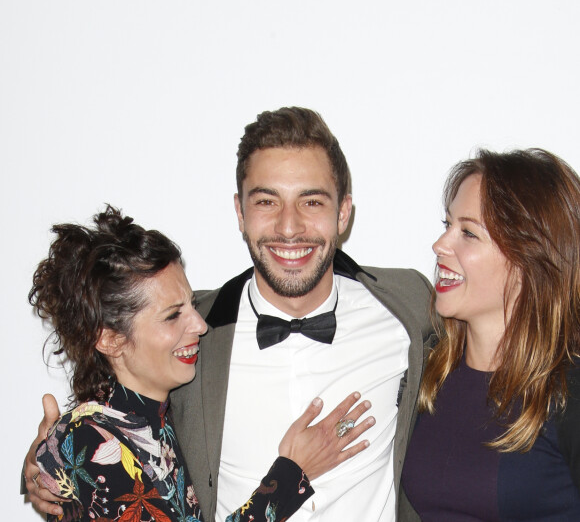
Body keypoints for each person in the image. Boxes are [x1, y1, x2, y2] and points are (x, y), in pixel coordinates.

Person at [25, 107, 434, 521]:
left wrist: (57, 458)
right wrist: (55, 459)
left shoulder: (409, 306)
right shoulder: (191, 336)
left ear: (343, 212)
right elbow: (104, 422)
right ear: (240, 212)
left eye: (311, 201)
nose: (289, 227)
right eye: (266, 201)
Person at [29, 206, 375, 521]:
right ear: (109, 339)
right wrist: (292, 472)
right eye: (172, 315)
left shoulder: (153, 417)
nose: (200, 324)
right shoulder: (92, 440)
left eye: (191, 304)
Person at [401, 148, 580, 521]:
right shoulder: (425, 375)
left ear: (527, 260)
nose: (440, 245)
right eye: (447, 224)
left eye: (468, 233)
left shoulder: (568, 391)